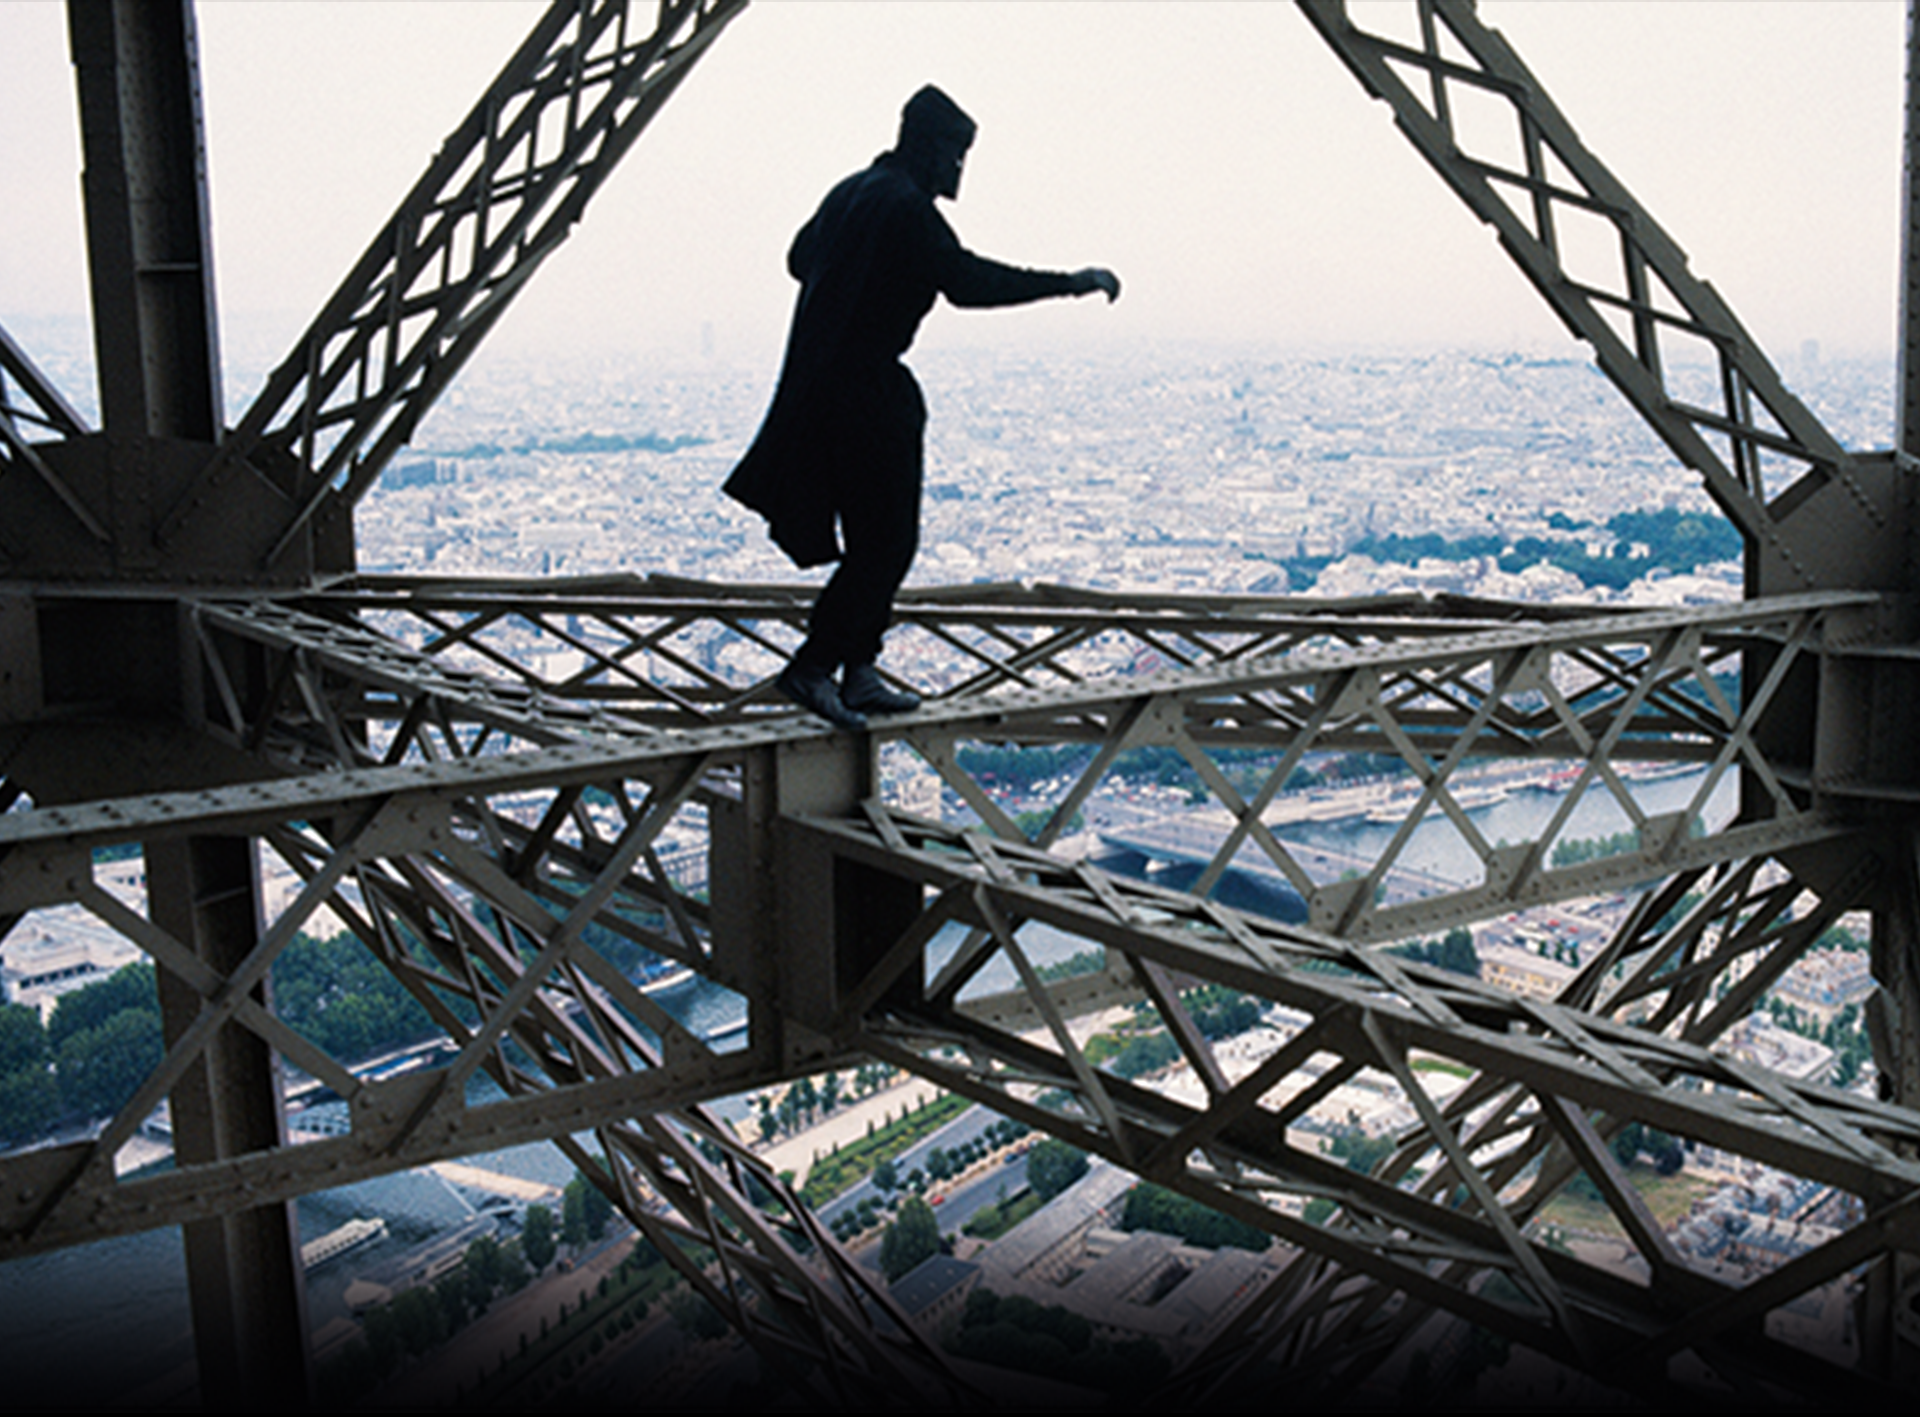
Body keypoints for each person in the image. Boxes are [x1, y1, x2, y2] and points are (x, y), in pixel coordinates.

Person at [724, 85, 1120, 730]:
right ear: (931, 147)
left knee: (871, 541)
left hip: (823, 388)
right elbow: (967, 284)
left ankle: (857, 671)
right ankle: (819, 666)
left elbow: (799, 258)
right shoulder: (906, 208)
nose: (957, 170)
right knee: (887, 543)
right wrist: (1069, 282)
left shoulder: (851, 191)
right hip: (868, 392)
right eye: (955, 154)